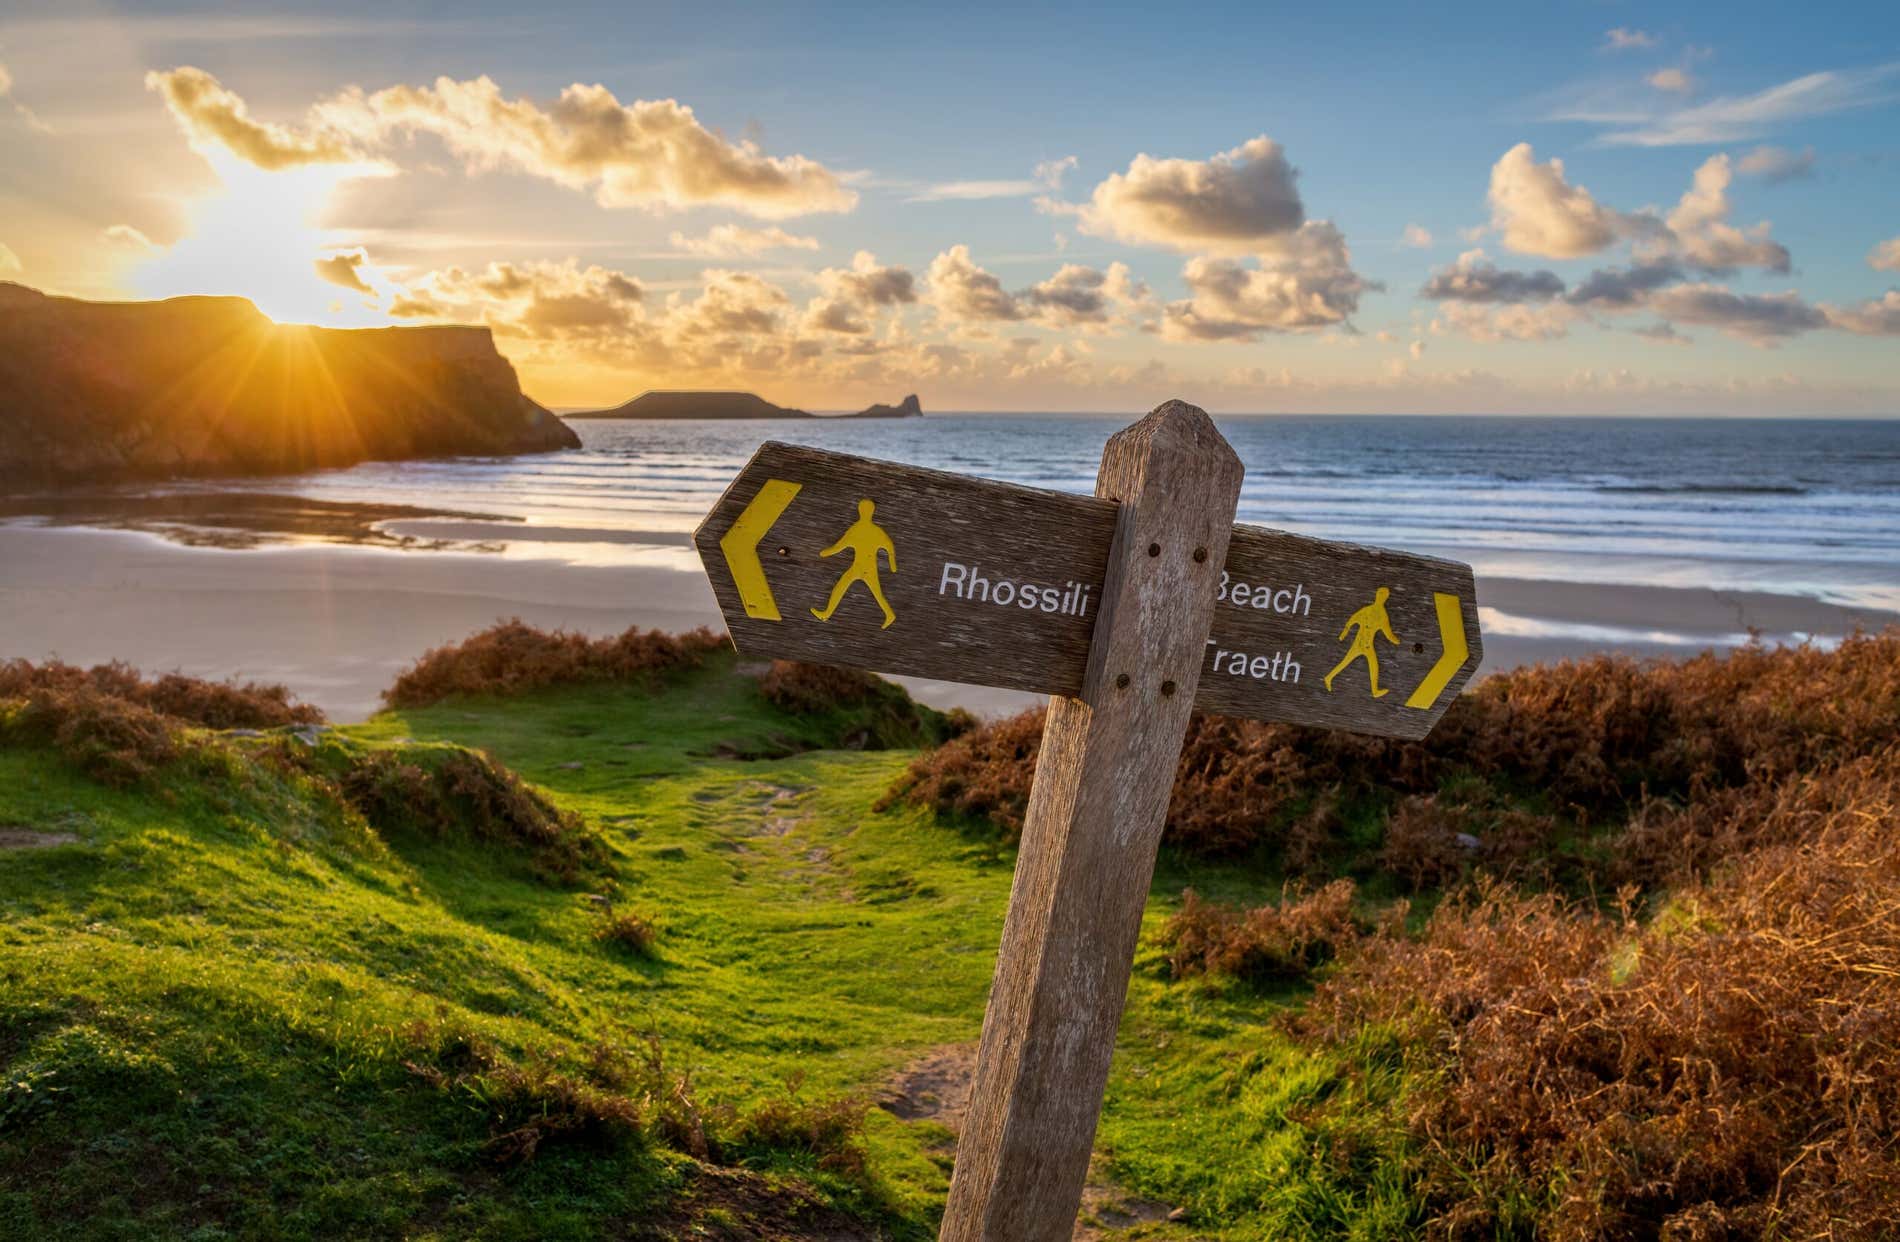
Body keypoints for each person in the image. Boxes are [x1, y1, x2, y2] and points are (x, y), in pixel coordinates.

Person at [811, 498, 897, 629]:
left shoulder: (856, 529)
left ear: (860, 511)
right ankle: (827, 613)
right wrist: (892, 565)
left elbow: (839, 546)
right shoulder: (876, 530)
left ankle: (889, 614)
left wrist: (826, 553)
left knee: (870, 592)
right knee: (843, 586)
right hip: (862, 567)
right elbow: (889, 547)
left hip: (863, 568)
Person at [1324, 586, 1398, 697]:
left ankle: (1374, 691)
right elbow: (1352, 620)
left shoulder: (1383, 616)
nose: (1381, 596)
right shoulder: (1367, 610)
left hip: (1368, 646)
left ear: (1386, 597)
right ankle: (1328, 677)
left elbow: (1389, 634)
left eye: (1384, 594)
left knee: (1373, 665)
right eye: (1380, 593)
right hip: (1358, 644)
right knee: (1345, 662)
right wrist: (1343, 634)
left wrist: (1397, 641)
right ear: (1377, 595)